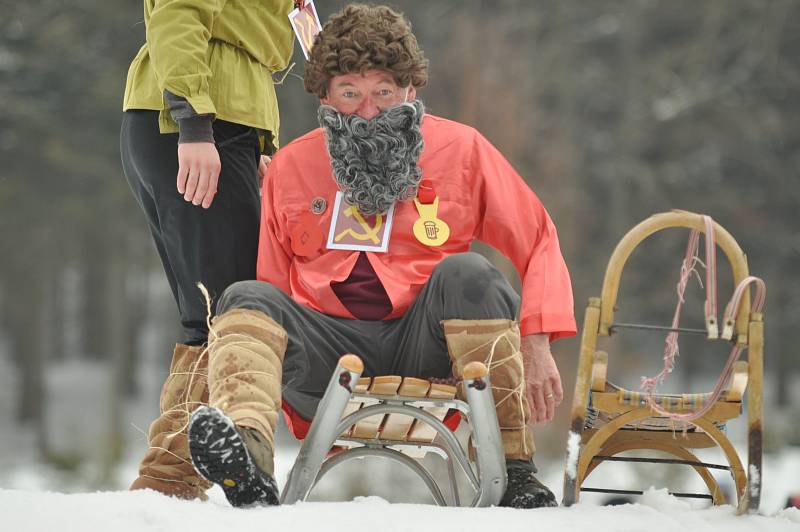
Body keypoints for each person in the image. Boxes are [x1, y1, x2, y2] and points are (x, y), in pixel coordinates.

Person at [187, 3, 577, 509]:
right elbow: (273, 289)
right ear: (324, 96)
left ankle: (515, 471)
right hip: (324, 354)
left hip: (429, 348)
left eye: (383, 93)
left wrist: (537, 341)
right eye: (349, 93)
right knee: (247, 296)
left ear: (411, 91)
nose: (367, 111)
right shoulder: (289, 165)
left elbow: (540, 237)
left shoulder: (464, 150)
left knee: (469, 274)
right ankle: (249, 461)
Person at [120, 0, 295, 500]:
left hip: (221, 122)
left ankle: (170, 479)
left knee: (220, 308)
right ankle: (171, 478)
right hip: (198, 122)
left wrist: (264, 144)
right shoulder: (197, 115)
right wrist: (194, 124)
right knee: (230, 309)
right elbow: (179, 12)